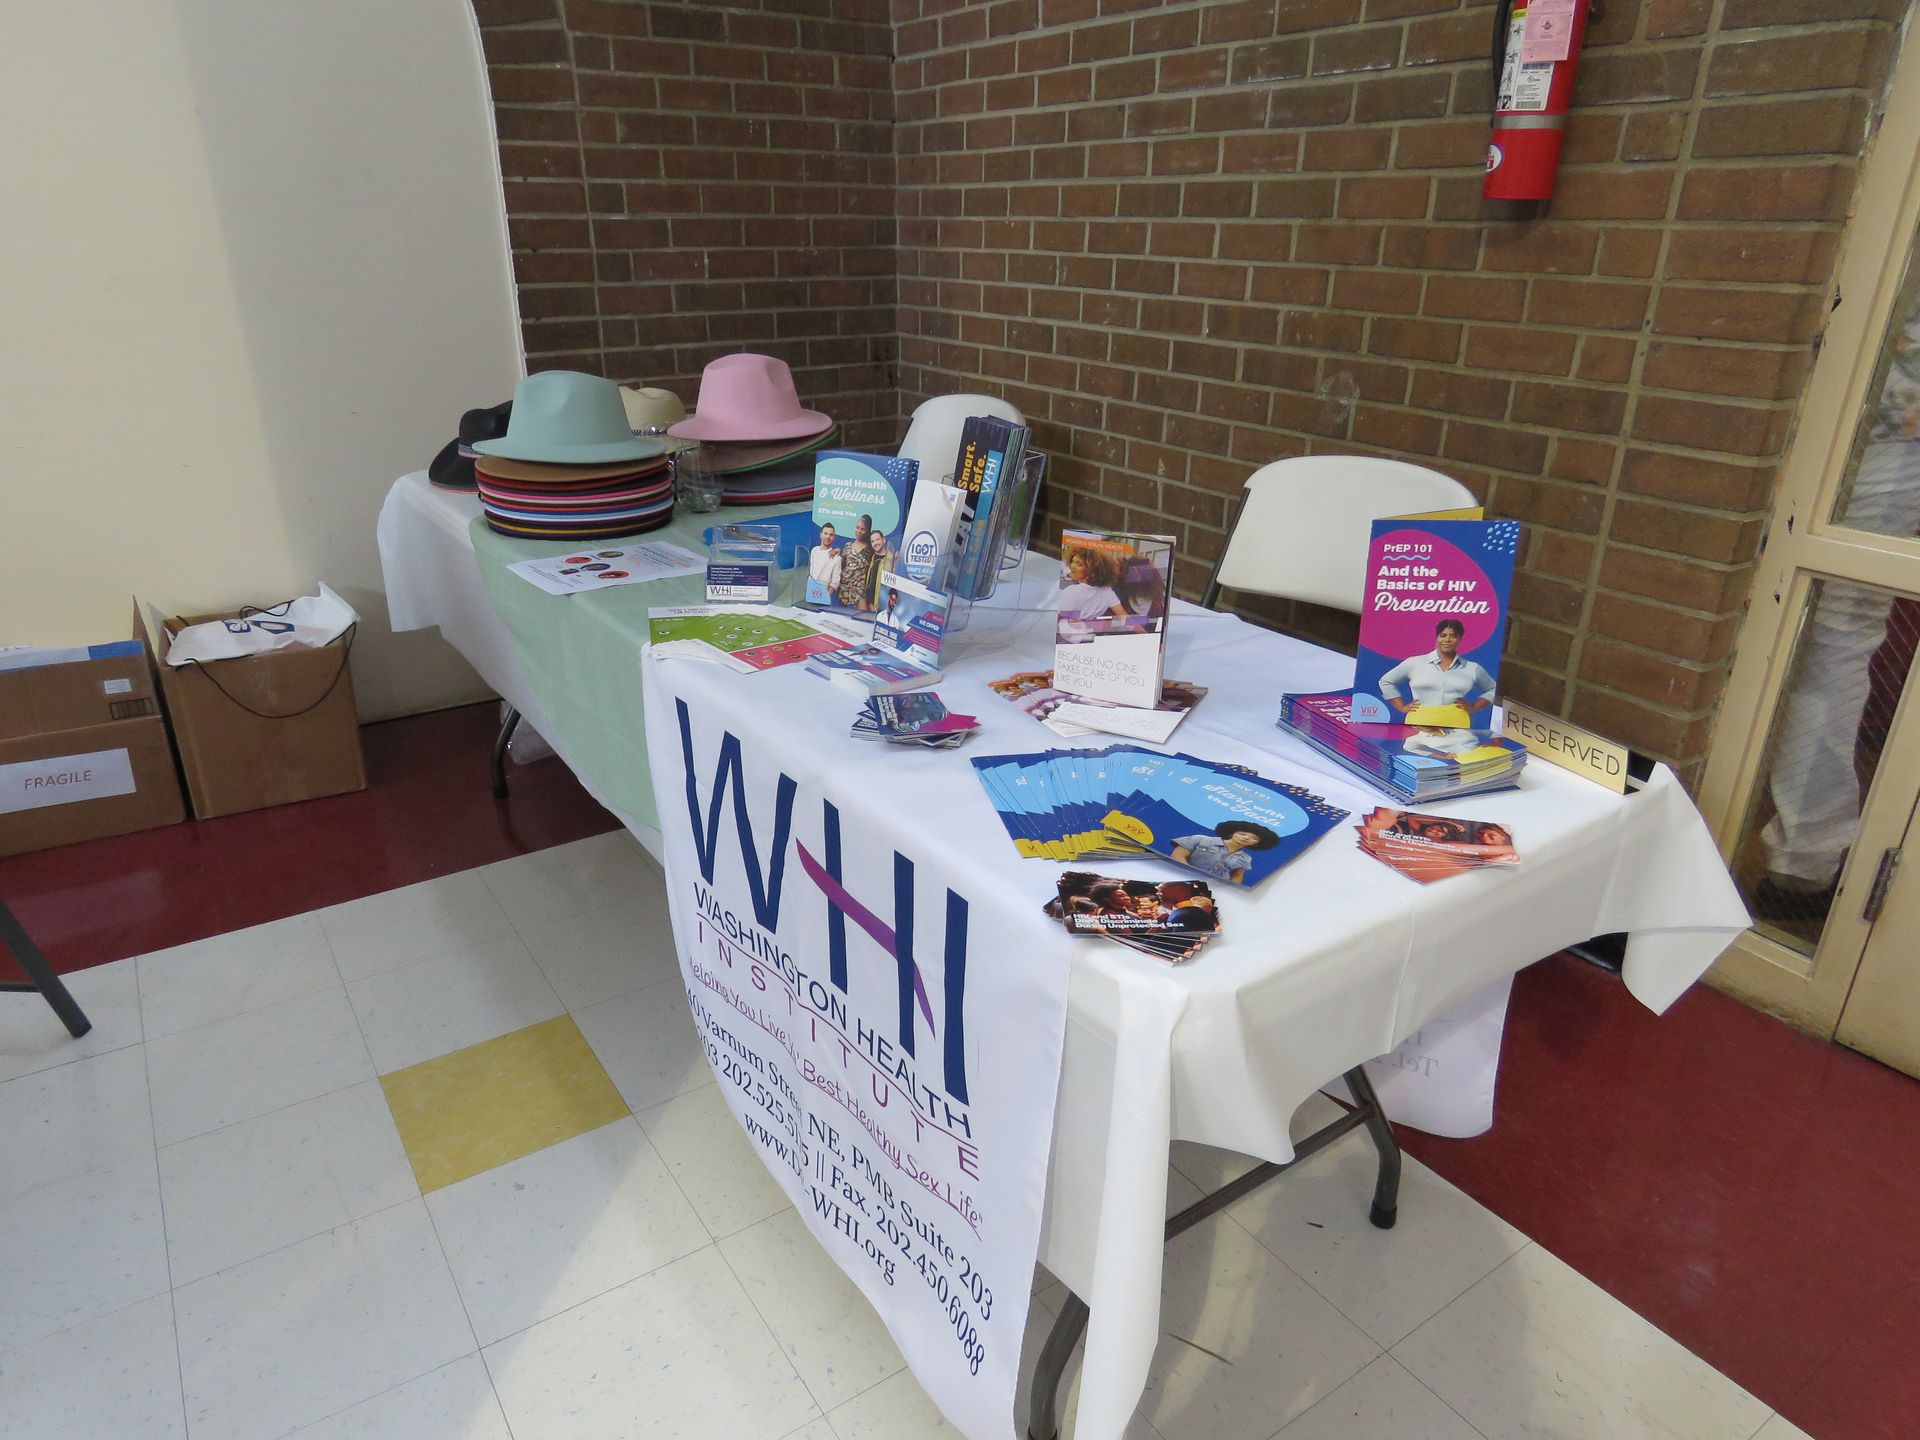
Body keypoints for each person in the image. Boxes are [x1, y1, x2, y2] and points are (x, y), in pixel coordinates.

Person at [1377, 619, 1496, 718]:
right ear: (1437, 637)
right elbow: (1386, 681)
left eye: (1453, 636)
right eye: (1443, 635)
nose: (1447, 640)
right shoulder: (1415, 663)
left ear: (1460, 639)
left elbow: (1493, 689)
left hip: (1456, 723)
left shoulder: (1471, 668)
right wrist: (1402, 707)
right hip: (1418, 722)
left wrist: (1474, 707)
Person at [1170, 820, 1280, 885]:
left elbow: (1237, 876)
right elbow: (1177, 855)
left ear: (1257, 843)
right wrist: (1190, 877)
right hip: (1182, 879)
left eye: (1253, 838)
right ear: (1232, 833)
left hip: (1214, 887)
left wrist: (1228, 889)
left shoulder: (1246, 858)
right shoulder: (1201, 839)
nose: (1246, 838)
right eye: (1242, 834)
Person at [1056, 542, 1131, 635]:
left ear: (1091, 571)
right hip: (1091, 636)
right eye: (1073, 562)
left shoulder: (1072, 591)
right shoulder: (1108, 592)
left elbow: (1057, 618)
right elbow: (1125, 618)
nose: (1072, 566)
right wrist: (1146, 634)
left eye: (1079, 564)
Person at [837, 514, 874, 610]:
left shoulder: (870, 548)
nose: (859, 531)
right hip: (845, 587)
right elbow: (840, 566)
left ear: (867, 531)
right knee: (841, 617)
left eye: (863, 529)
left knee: (863, 617)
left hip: (860, 589)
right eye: (857, 528)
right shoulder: (848, 546)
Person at [808, 523, 842, 602]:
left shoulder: (837, 558)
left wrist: (824, 596)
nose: (828, 537)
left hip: (823, 596)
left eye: (831, 535)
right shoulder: (814, 550)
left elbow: (835, 582)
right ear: (820, 535)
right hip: (810, 593)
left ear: (834, 538)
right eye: (825, 533)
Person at [864, 530, 896, 611]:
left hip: (883, 606)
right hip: (869, 603)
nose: (875, 543)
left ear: (884, 540)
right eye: (872, 541)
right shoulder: (871, 558)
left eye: (877, 539)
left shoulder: (892, 560)